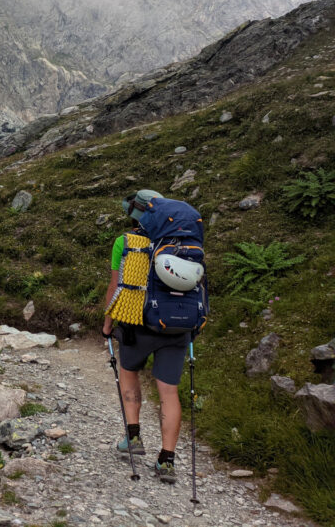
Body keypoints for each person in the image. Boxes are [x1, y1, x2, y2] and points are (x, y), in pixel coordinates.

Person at [102, 188, 188, 485]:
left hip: (136, 323)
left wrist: (107, 323)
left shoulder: (125, 242)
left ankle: (134, 437)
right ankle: (167, 460)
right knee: (169, 392)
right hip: (177, 327)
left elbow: (116, 287)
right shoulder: (184, 242)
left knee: (129, 375)